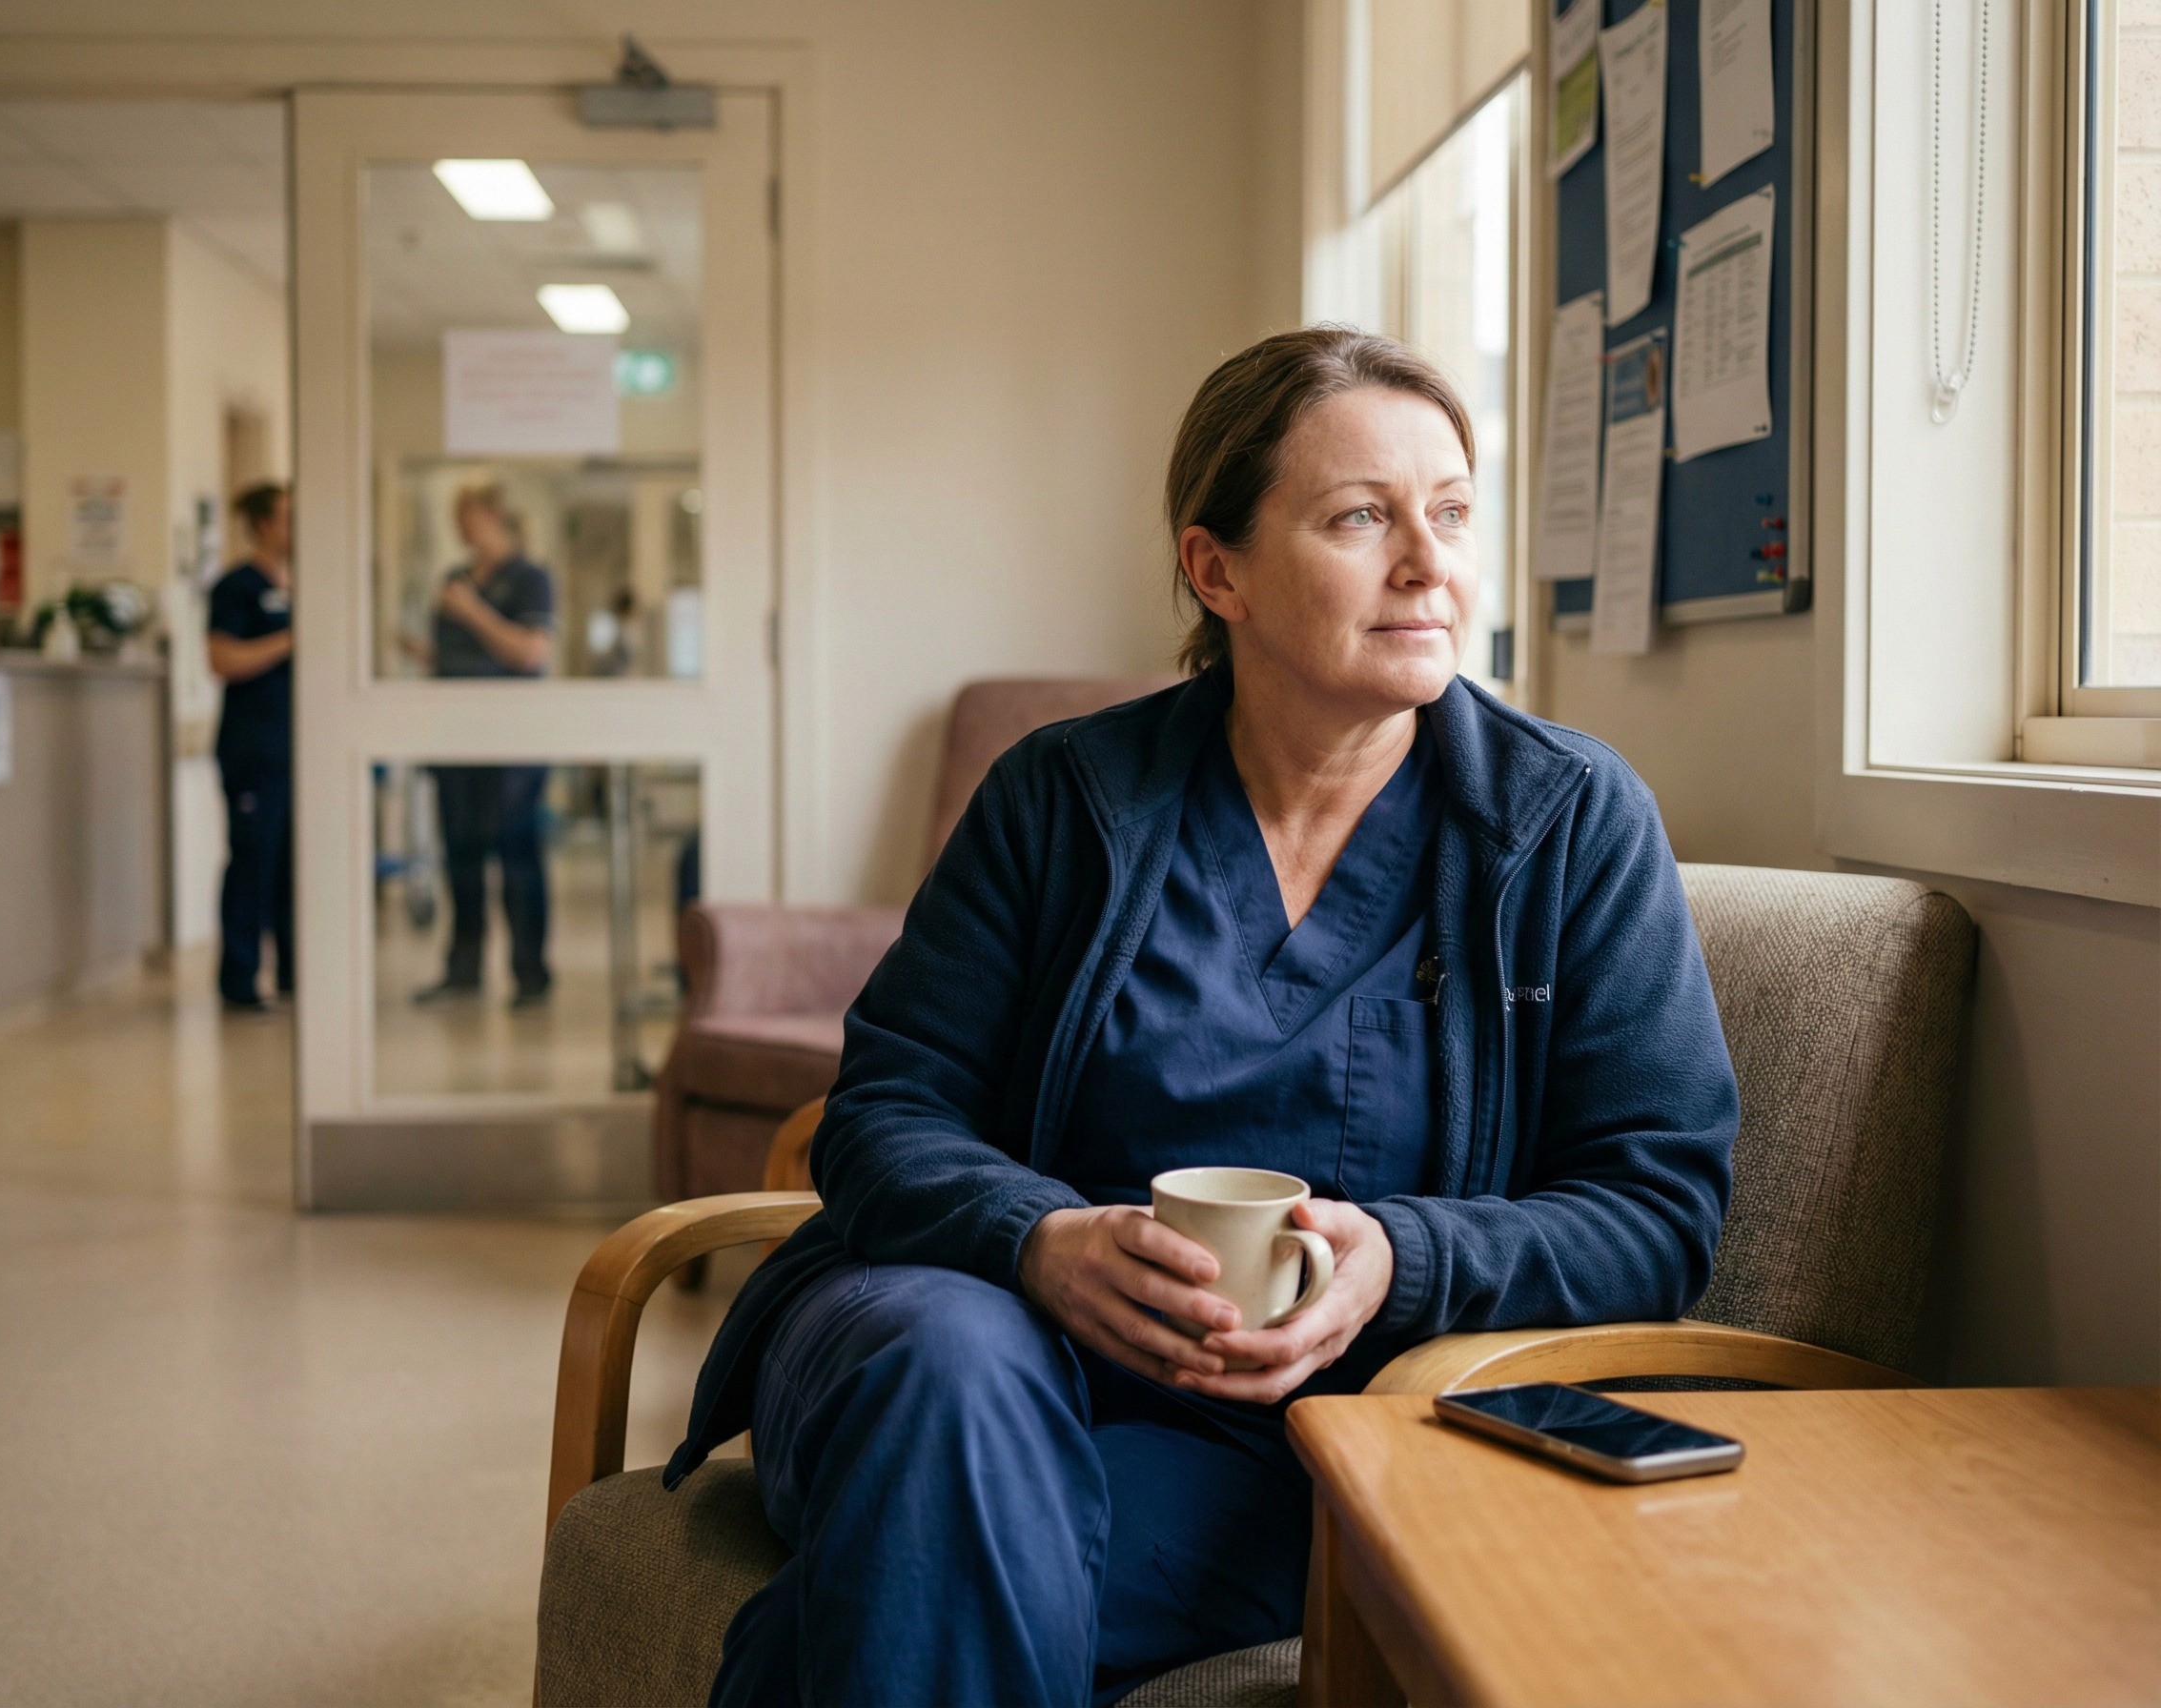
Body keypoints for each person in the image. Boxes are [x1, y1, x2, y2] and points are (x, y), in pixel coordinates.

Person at [675, 329, 1741, 1708]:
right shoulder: (1060, 799)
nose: (1430, 561)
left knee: (922, 1564)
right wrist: (1036, 1243)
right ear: (1214, 568)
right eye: (1363, 517)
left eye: (1454, 511)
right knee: (952, 1374)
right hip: (945, 1338)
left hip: (1285, 1432)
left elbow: (1658, 1208)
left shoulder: (1568, 827)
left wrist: (1401, 1261)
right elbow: (883, 1113)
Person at [417, 482, 557, 1007]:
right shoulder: (453, 577)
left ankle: (530, 974)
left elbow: (530, 653)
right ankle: (463, 971)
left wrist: (473, 612)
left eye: (467, 513)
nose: (459, 525)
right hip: (454, 735)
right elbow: (452, 654)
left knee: (516, 854)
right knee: (461, 854)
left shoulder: (529, 578)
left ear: (498, 516)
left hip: (511, 740)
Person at [206, 482, 295, 1013]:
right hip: (253, 751)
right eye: (287, 516)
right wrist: (290, 640)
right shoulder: (236, 587)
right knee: (253, 863)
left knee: (293, 866)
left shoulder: (297, 585)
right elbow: (222, 660)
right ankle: (240, 979)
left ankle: (293, 973)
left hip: (294, 751)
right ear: (263, 523)